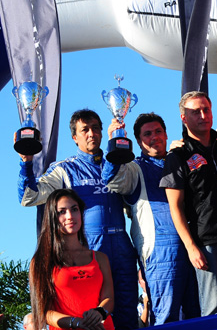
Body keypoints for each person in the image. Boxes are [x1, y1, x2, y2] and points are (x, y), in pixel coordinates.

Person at [18, 110, 137, 330]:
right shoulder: (65, 169)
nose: (91, 133)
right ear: (74, 137)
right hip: (90, 246)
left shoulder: (119, 163)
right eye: (85, 130)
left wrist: (116, 147)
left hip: (122, 245)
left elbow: (132, 193)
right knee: (91, 313)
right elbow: (29, 197)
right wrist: (26, 162)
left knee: (128, 313)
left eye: (96, 128)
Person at [102, 113, 200, 324]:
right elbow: (112, 180)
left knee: (199, 317)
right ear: (138, 141)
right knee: (166, 317)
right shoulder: (135, 168)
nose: (154, 137)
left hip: (194, 245)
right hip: (160, 252)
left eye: (158, 131)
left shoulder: (179, 160)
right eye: (147, 134)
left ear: (166, 134)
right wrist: (114, 144)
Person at [161, 92, 217, 315]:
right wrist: (191, 247)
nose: (203, 116)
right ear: (184, 118)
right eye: (195, 112)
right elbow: (175, 207)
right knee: (212, 310)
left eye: (206, 110)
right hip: (208, 243)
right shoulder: (178, 156)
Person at [29, 189, 114, 330]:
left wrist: (99, 312)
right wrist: (76, 323)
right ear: (52, 217)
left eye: (74, 209)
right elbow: (43, 311)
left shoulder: (100, 258)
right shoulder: (40, 262)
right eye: (62, 212)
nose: (70, 216)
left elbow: (109, 298)